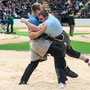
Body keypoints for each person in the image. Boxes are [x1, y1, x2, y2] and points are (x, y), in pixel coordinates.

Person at [19, 3, 78, 88]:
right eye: (41, 9)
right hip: (39, 43)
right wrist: (40, 29)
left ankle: (23, 81)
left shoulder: (35, 18)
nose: (42, 10)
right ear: (36, 11)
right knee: (59, 52)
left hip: (38, 43)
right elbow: (31, 35)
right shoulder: (33, 20)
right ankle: (65, 71)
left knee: (34, 63)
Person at [20, 9, 90, 66]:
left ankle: (64, 73)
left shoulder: (48, 22)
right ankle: (87, 60)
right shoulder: (50, 16)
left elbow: (36, 28)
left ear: (46, 17)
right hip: (62, 36)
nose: (39, 21)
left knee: (60, 57)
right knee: (71, 52)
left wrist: (26, 22)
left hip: (60, 39)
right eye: (39, 19)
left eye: (41, 19)